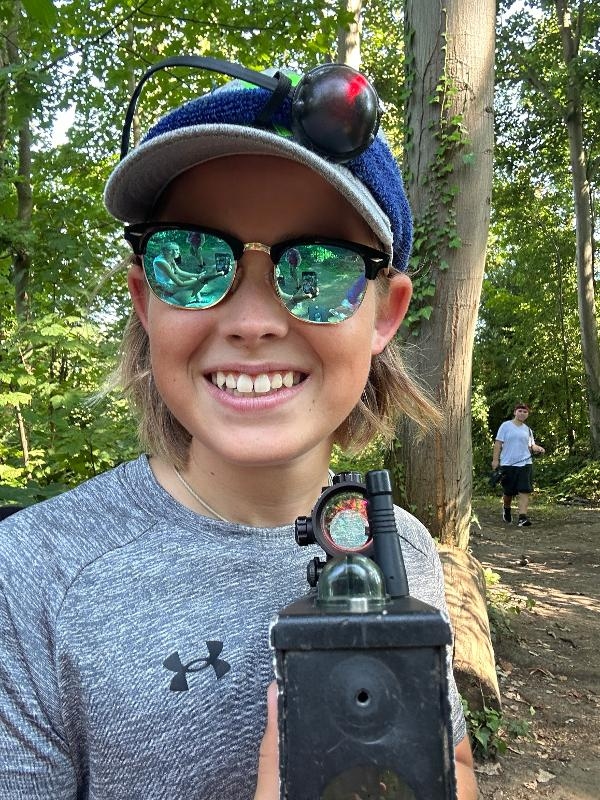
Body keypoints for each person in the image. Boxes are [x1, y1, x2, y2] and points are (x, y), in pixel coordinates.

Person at [0, 59, 477, 799]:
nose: (253, 323)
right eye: (191, 261)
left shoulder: (402, 549)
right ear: (145, 301)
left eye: (319, 270)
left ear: (384, 314)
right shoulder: (30, 579)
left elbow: (451, 765)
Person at [492, 403, 545, 526]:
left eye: (525, 412)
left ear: (528, 414)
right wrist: (495, 460)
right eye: (520, 411)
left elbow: (531, 446)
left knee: (524, 490)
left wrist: (538, 448)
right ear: (515, 412)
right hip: (508, 463)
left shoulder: (528, 430)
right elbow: (498, 443)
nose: (522, 413)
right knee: (508, 492)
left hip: (525, 464)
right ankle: (506, 509)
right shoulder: (506, 426)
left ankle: (522, 517)